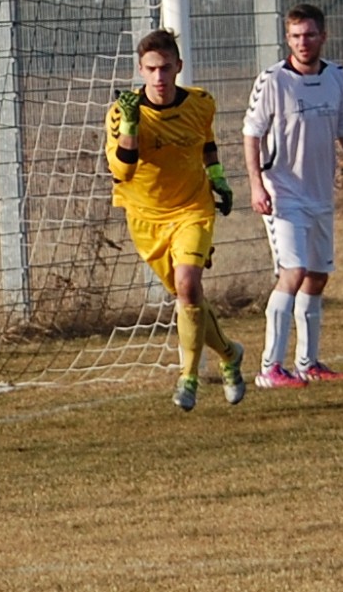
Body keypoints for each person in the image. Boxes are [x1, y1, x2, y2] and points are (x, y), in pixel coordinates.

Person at [105, 28, 246, 410]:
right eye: (151, 69)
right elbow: (122, 171)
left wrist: (218, 177)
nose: (159, 77)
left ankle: (188, 378)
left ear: (178, 66)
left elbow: (207, 142)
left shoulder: (201, 102)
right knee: (189, 296)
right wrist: (131, 128)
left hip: (192, 209)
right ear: (140, 70)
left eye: (165, 68)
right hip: (146, 218)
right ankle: (230, 354)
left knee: (188, 284)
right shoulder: (122, 113)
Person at [243, 3, 343, 387]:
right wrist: (256, 184)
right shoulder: (272, 81)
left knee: (317, 277)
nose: (303, 42)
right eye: (295, 36)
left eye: (309, 35)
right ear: (288, 39)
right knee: (294, 271)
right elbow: (251, 134)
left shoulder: (337, 77)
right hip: (282, 193)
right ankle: (270, 367)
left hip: (320, 193)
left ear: (323, 36)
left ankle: (308, 363)